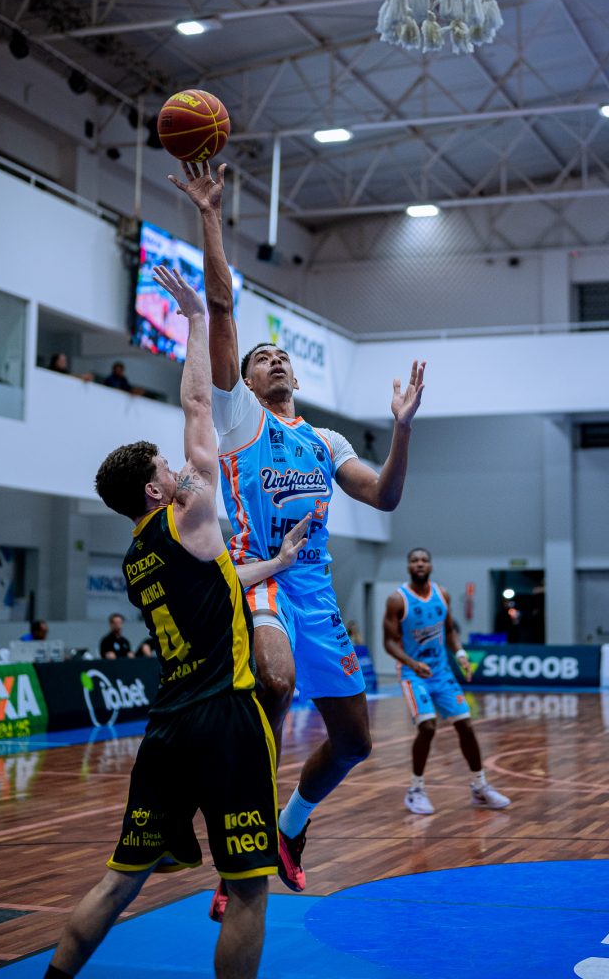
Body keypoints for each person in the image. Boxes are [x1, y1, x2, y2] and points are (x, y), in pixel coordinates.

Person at [44, 264, 310, 979]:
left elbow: (218, 581)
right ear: (155, 489)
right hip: (226, 717)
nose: (178, 468)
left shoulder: (140, 557)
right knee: (248, 891)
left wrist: (277, 562)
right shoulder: (188, 513)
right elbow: (198, 403)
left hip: (166, 727)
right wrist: (196, 319)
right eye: (167, 466)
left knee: (118, 883)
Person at [169, 159, 425, 900]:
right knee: (274, 680)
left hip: (314, 587)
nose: (274, 359)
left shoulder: (325, 441)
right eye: (261, 358)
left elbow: (384, 497)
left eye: (281, 355)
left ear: (296, 378)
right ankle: (241, 847)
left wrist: (402, 428)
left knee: (354, 742)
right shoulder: (238, 418)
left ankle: (287, 827)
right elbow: (222, 307)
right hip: (259, 579)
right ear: (245, 382)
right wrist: (211, 214)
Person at [383, 547, 511, 815]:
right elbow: (389, 643)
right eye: (414, 560)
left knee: (465, 725)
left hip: (441, 672)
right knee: (427, 726)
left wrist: (461, 654)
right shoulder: (397, 599)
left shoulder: (443, 594)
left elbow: (450, 631)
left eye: (424, 560)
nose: (420, 564)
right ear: (408, 566)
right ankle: (415, 790)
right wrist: (411, 663)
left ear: (430, 565)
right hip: (413, 674)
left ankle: (480, 787)